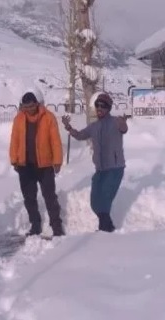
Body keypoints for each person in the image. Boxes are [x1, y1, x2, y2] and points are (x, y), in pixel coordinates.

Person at [61, 92, 128, 232]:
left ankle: (104, 230)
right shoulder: (94, 126)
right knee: (95, 202)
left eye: (103, 106)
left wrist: (123, 124)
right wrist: (68, 127)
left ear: (108, 108)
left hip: (114, 168)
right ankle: (108, 227)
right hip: (100, 169)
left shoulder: (116, 122)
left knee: (103, 200)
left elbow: (123, 129)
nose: (100, 108)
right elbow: (80, 135)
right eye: (97, 105)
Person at [9, 89, 65, 237]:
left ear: (37, 104)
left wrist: (57, 160)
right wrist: (14, 159)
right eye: (26, 107)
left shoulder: (48, 117)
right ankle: (35, 225)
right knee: (29, 197)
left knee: (49, 196)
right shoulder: (19, 119)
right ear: (23, 106)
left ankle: (56, 226)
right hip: (25, 165)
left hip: (45, 165)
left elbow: (55, 140)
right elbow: (14, 140)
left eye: (31, 106)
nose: (29, 109)